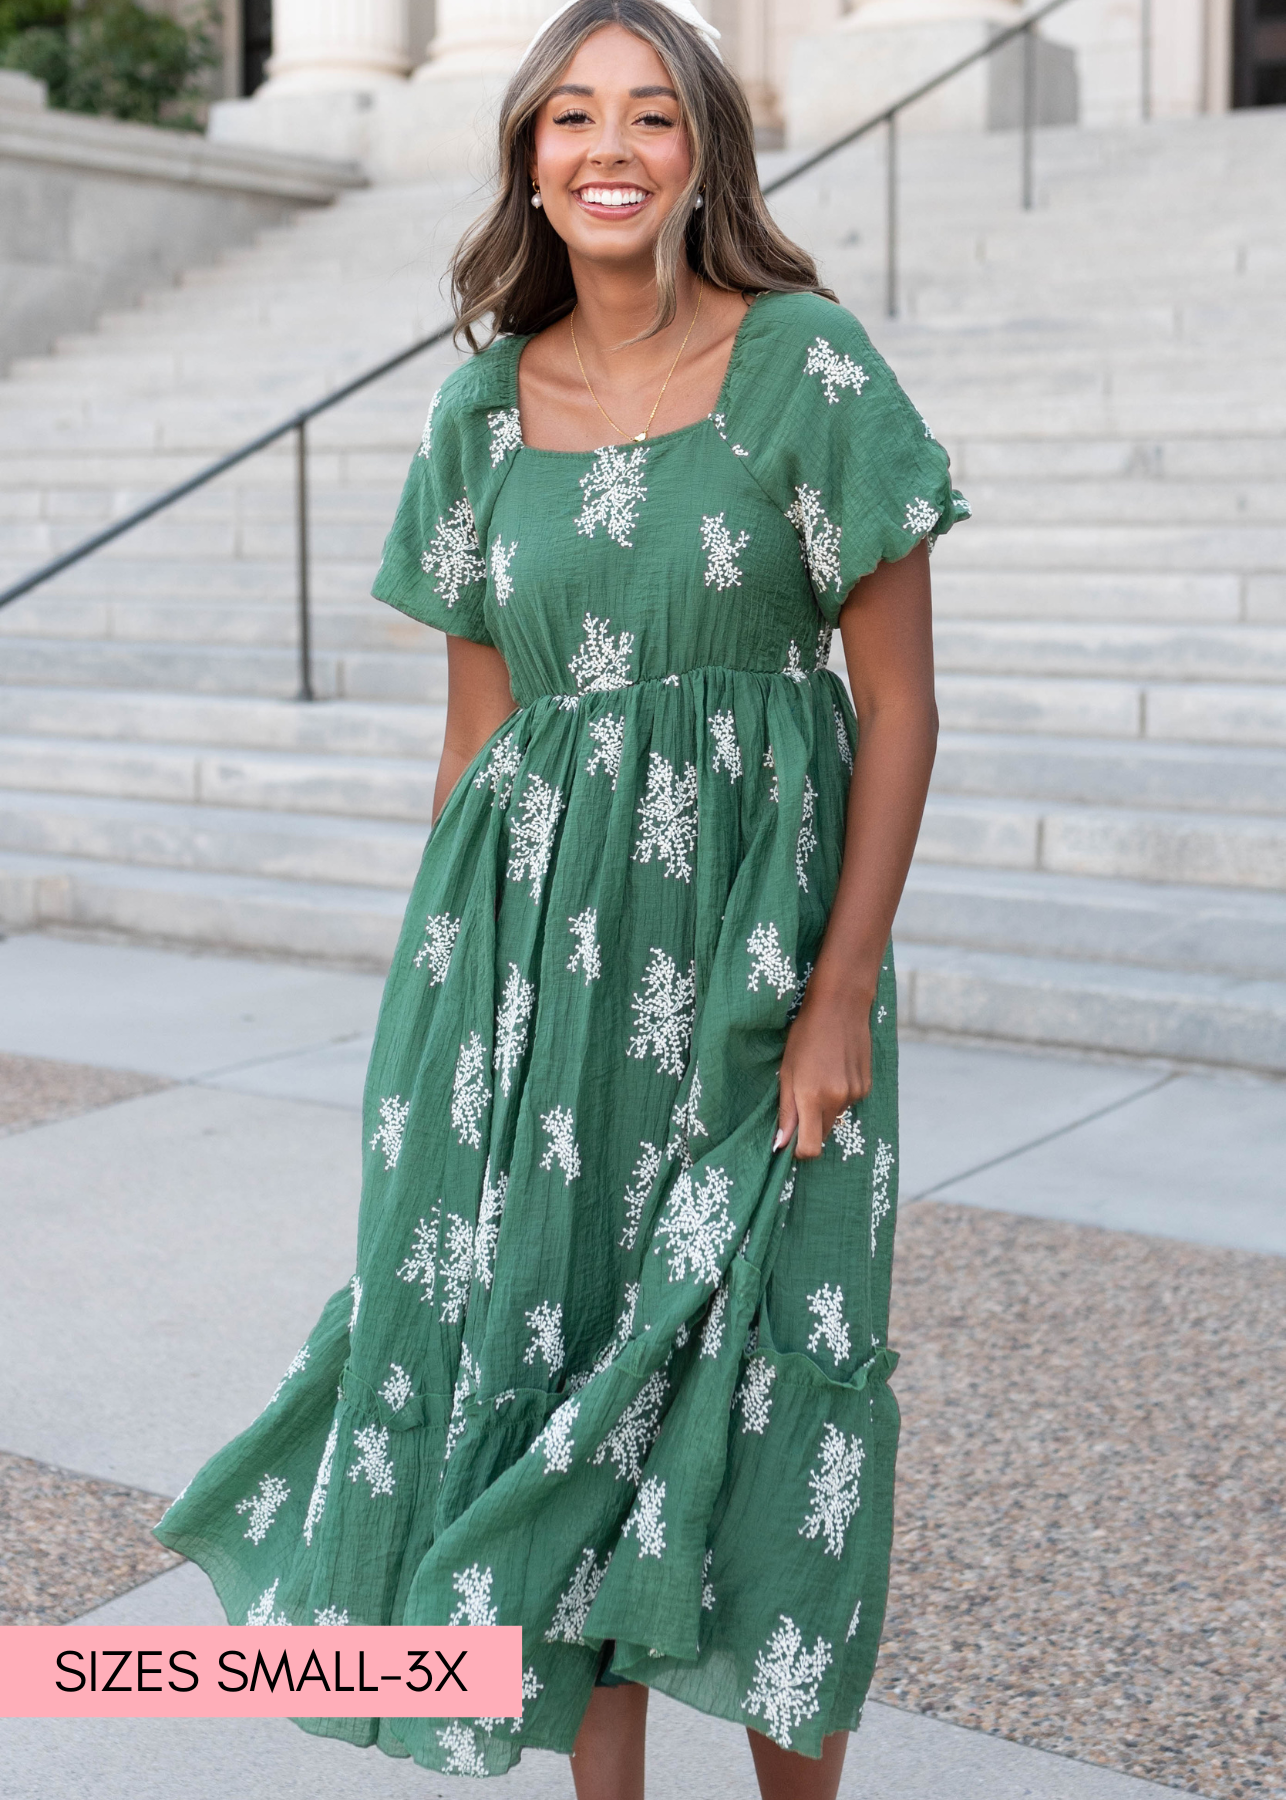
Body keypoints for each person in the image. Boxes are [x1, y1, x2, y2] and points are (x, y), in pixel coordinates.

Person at [154, 2, 968, 1795]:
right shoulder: (474, 409)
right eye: (572, 118)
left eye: (653, 117)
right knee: (547, 1385)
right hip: (532, 977)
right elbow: (478, 745)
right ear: (527, 154)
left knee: (778, 1384)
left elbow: (898, 704)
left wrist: (838, 996)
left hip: (760, 964)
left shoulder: (808, 365)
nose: (610, 147)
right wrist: (448, 1024)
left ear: (703, 159)